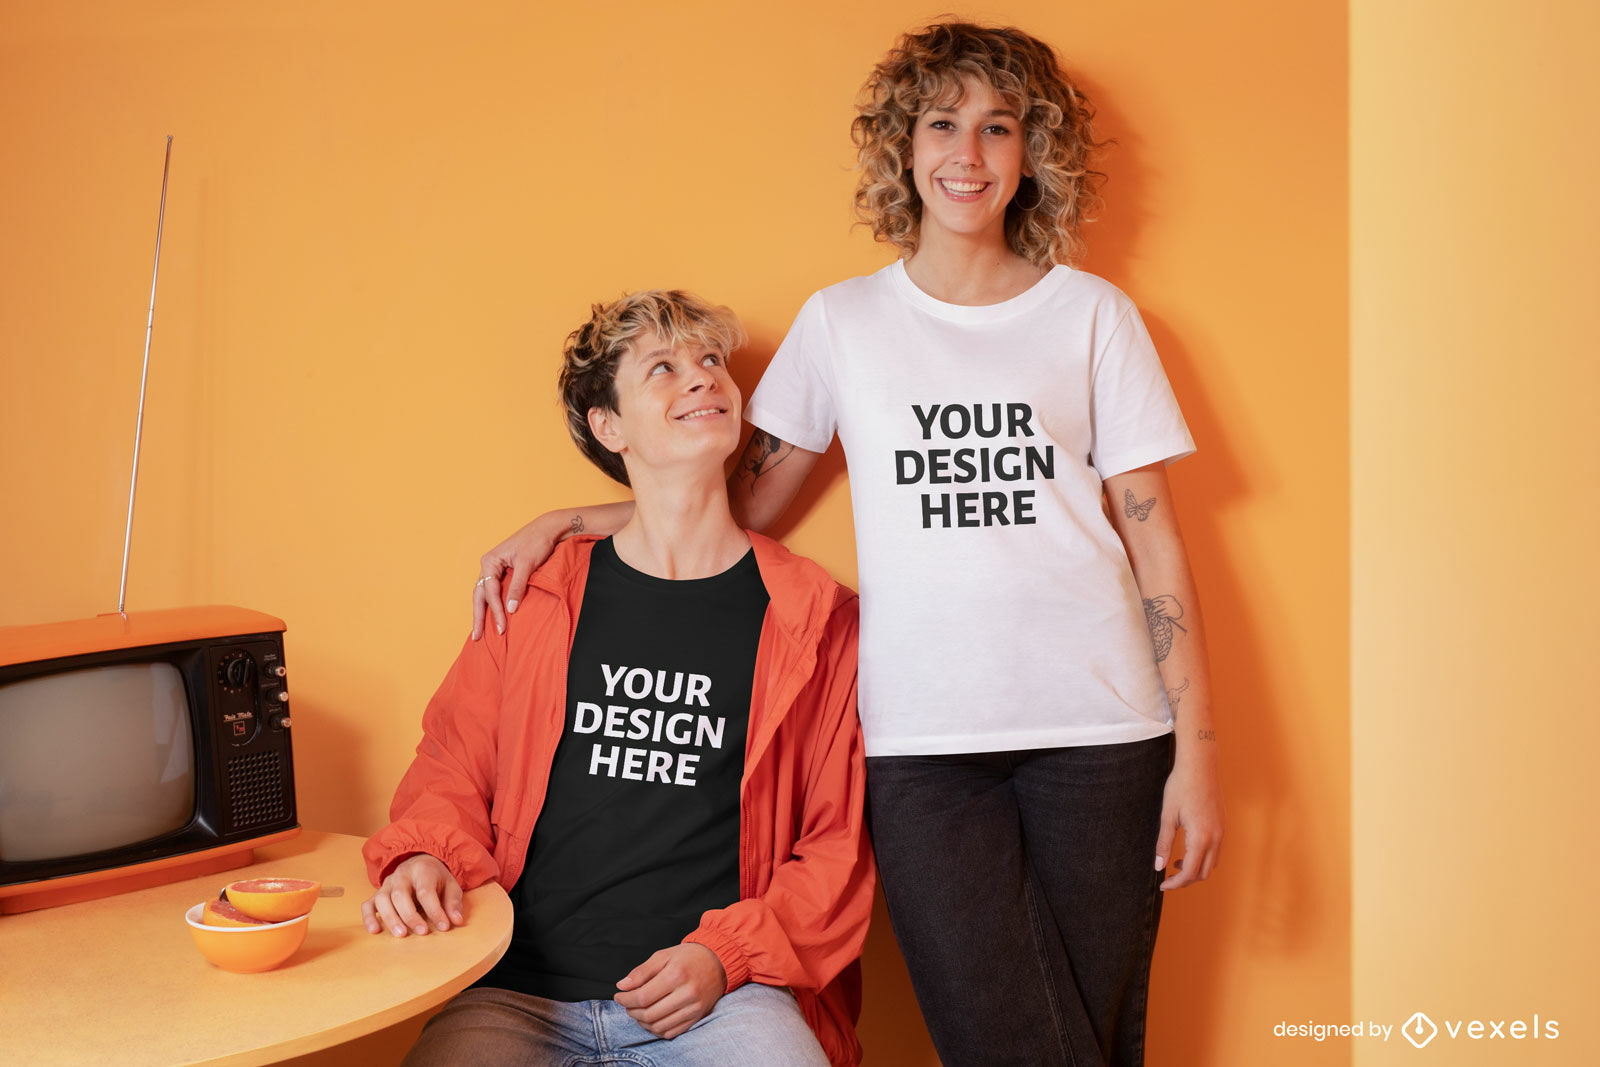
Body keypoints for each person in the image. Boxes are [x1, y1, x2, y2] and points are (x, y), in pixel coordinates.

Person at [472, 22, 1222, 1067]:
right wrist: (572, 519)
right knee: (1004, 1039)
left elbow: (1156, 549)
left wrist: (1195, 753)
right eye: (942, 124)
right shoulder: (843, 324)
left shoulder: (1093, 317)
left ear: (1031, 151)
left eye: (997, 127)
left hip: (1103, 733)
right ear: (903, 150)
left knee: (1091, 1037)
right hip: (920, 749)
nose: (968, 153)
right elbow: (749, 506)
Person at [363, 290, 872, 1067]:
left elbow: (835, 846)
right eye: (663, 368)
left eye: (711, 361)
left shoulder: (814, 619)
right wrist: (426, 855)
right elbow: (453, 764)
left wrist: (725, 956)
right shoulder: (536, 595)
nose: (703, 378)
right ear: (610, 426)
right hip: (518, 990)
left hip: (723, 1000)